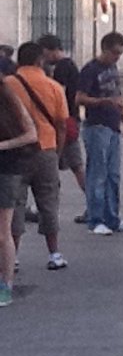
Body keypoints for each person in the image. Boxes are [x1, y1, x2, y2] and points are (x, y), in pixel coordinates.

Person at [8, 42, 69, 270]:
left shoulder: (8, 85)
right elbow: (62, 124)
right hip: (45, 149)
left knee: (14, 204)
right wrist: (57, 151)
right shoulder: (53, 87)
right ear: (39, 61)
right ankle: (54, 253)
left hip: (15, 152)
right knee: (48, 202)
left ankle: (12, 255)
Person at [78, 32, 123, 236]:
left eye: (120, 53)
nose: (117, 57)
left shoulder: (112, 69)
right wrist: (103, 102)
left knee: (113, 175)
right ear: (104, 49)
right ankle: (96, 219)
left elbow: (118, 98)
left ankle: (112, 217)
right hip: (96, 125)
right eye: (114, 53)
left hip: (113, 126)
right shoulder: (90, 70)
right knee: (97, 174)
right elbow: (80, 98)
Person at [0, 77, 38, 307]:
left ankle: (6, 285)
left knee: (3, 232)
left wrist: (2, 145)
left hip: (7, 169)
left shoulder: (8, 99)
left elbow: (31, 134)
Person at [38, 35, 86, 206]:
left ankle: (92, 202)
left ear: (51, 50)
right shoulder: (70, 65)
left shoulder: (62, 67)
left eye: (44, 53)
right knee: (74, 164)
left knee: (70, 164)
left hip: (64, 120)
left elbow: (58, 93)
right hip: (71, 118)